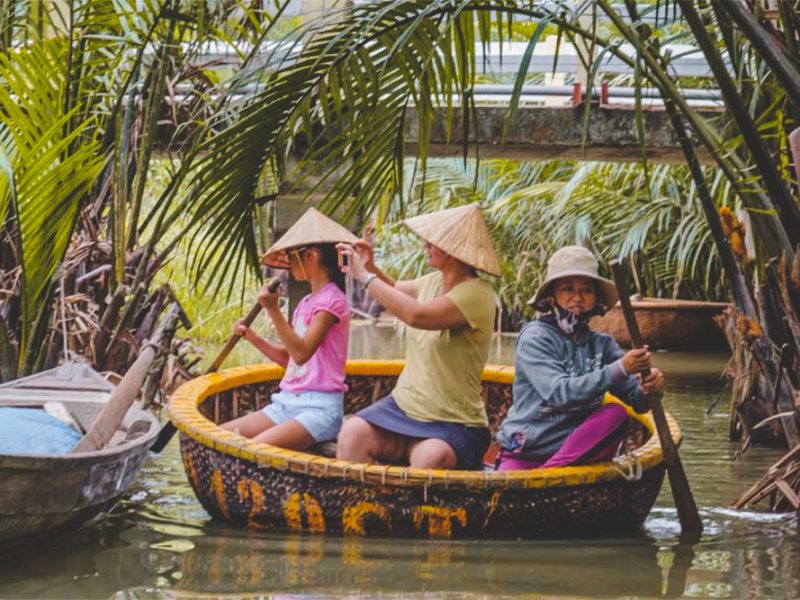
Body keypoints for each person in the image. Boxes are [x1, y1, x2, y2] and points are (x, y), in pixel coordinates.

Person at [335, 203, 500, 470]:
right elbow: (394, 290)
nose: (426, 244)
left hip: (455, 421)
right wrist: (371, 267)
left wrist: (364, 276)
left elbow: (417, 316)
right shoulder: (432, 281)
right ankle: (365, 508)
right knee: (352, 434)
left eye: (433, 241)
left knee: (429, 458)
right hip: (404, 407)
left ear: (453, 250)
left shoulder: (477, 294)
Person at [495, 245, 665, 471]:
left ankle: (549, 473)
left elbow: (638, 402)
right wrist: (621, 368)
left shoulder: (602, 345)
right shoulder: (536, 337)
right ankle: (549, 473)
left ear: (595, 298)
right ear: (552, 296)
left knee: (616, 414)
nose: (578, 298)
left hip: (576, 451)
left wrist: (650, 387)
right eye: (568, 289)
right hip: (527, 450)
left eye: (586, 290)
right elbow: (559, 393)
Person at [221, 207, 358, 451]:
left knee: (254, 450)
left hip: (319, 409)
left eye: (293, 256)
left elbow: (302, 352)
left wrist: (273, 310)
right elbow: (291, 360)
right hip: (285, 404)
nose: (288, 264)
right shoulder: (305, 304)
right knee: (220, 436)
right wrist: (252, 337)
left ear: (311, 257)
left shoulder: (332, 301)